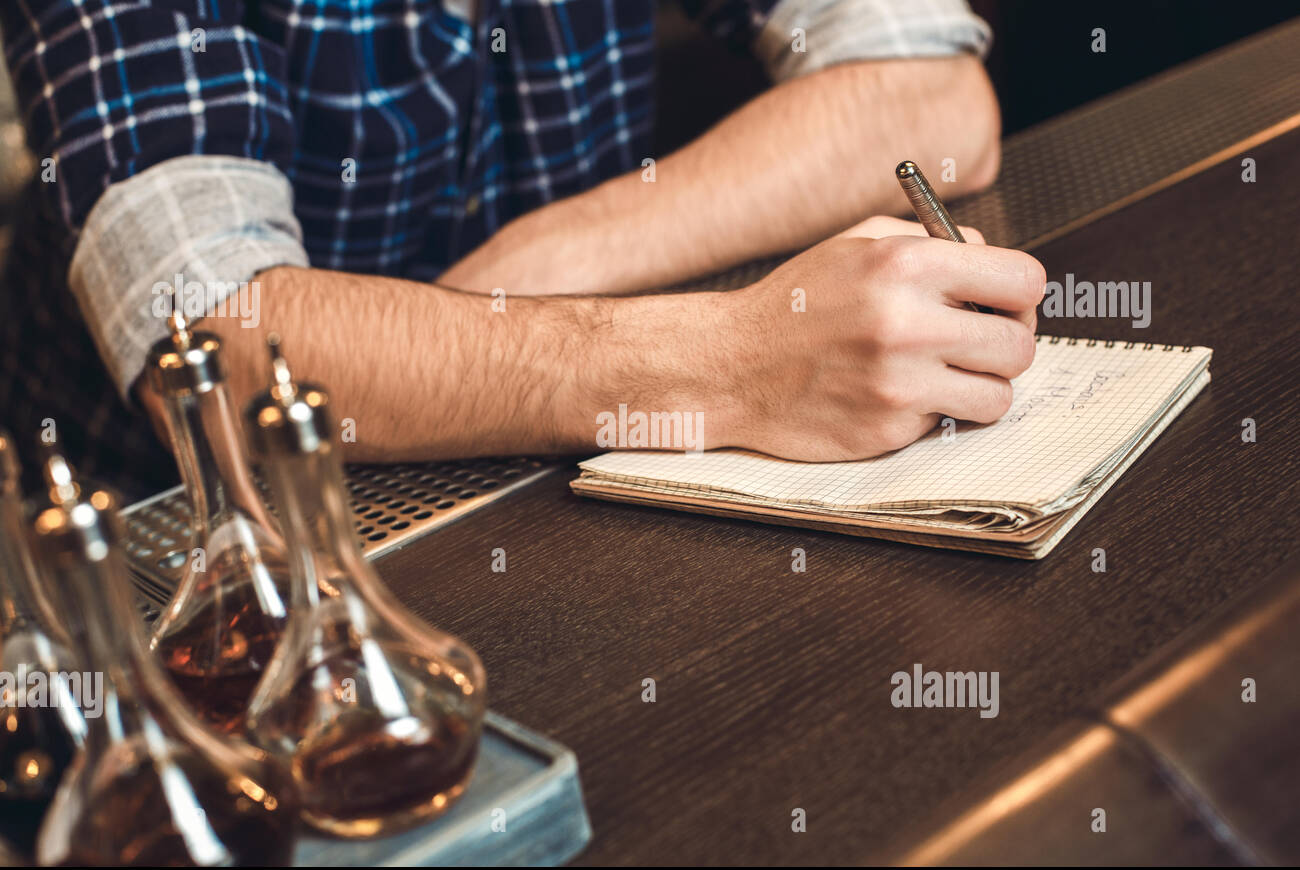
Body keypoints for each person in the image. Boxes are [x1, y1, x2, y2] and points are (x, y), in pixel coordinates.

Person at [0, 0, 1044, 500]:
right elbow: (209, 336)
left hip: (535, 469)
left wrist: (528, 265)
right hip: (183, 526)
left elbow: (931, 94)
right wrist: (729, 361)